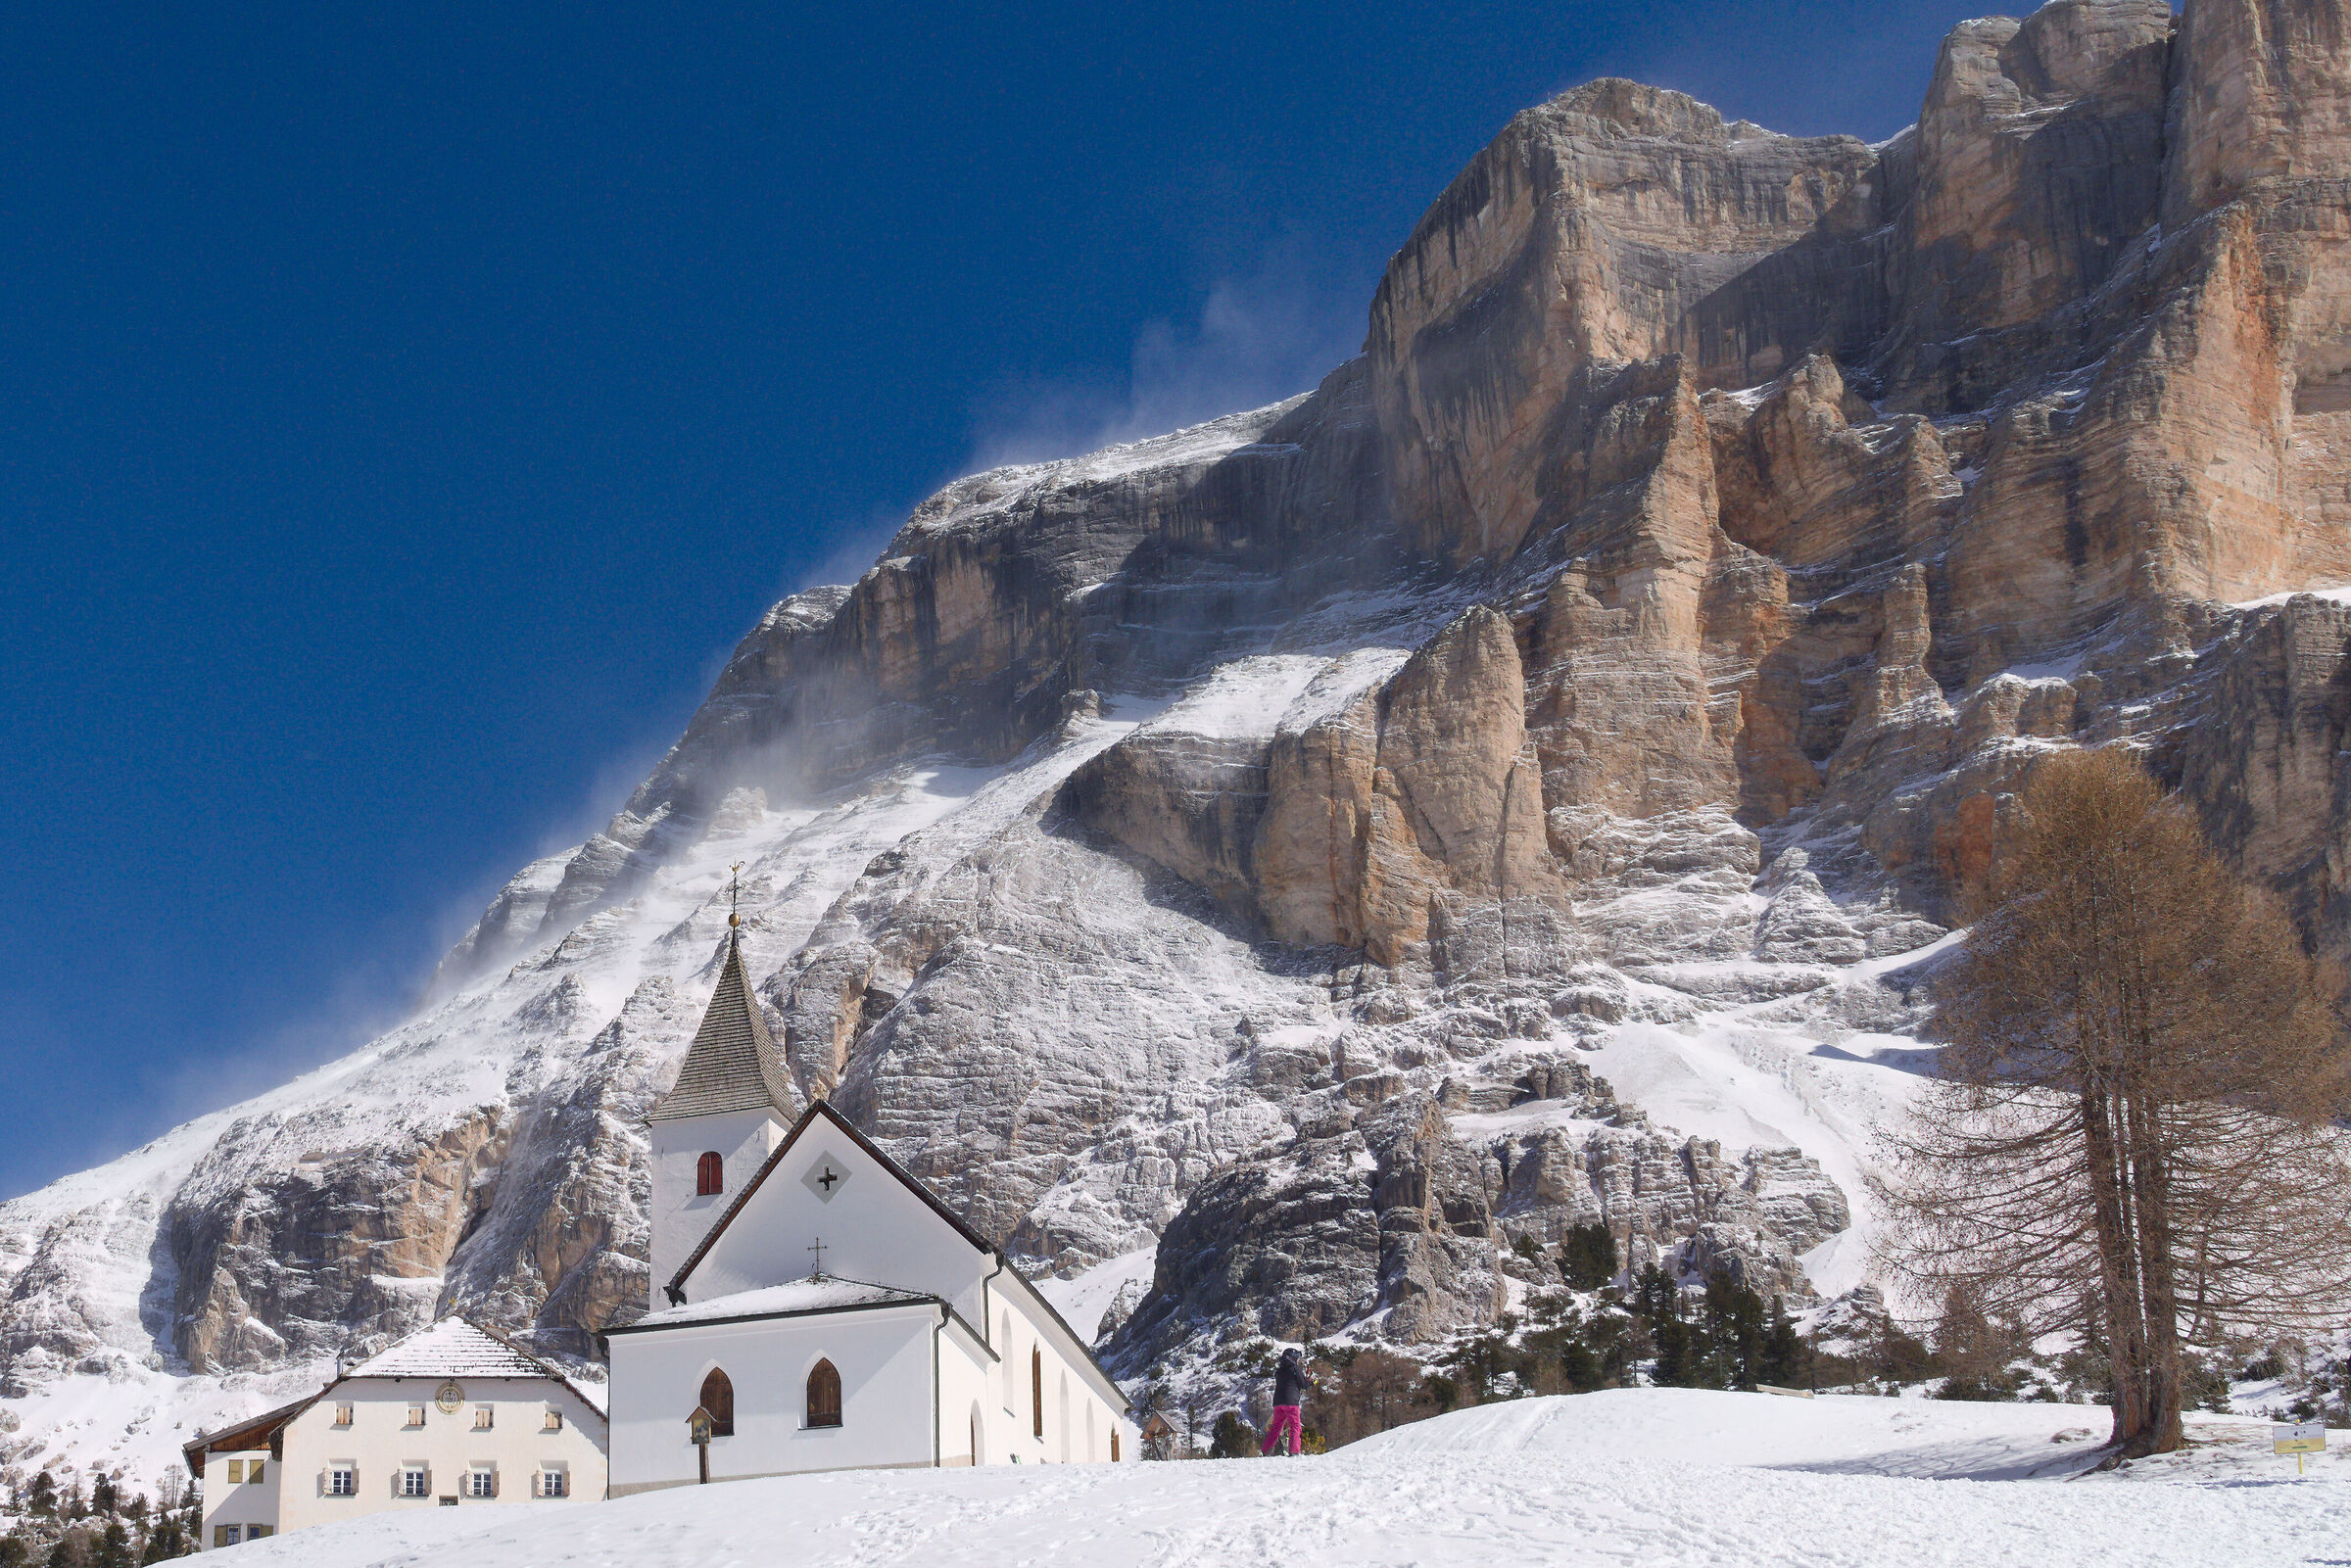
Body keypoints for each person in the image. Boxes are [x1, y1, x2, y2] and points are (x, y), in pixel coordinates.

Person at [1260, 1348, 1314, 1456]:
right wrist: (1311, 1382)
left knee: (1276, 1428)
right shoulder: (1295, 1369)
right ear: (1293, 1358)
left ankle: (1265, 1451)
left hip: (1278, 1403)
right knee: (1295, 1426)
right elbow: (1303, 1384)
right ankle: (1294, 1451)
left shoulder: (1279, 1371)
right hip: (1291, 1403)